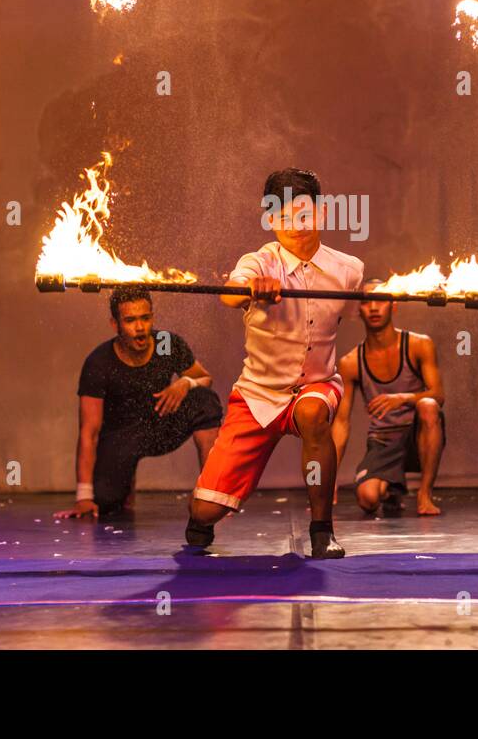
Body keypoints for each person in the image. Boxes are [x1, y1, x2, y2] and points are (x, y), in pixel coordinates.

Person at [186, 168, 364, 558]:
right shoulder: (258, 262)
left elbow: (358, 310)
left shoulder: (349, 269)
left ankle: (322, 532)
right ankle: (200, 518)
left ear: (321, 214)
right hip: (258, 394)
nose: (295, 226)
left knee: (315, 413)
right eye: (282, 217)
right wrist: (253, 289)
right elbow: (231, 295)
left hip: (315, 386)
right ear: (270, 219)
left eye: (303, 215)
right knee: (204, 510)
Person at [55, 285, 221, 519]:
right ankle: (124, 482)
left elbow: (205, 378)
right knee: (105, 503)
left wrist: (184, 383)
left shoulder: (164, 343)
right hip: (122, 436)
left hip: (162, 422)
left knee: (205, 400)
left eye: (145, 318)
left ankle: (211, 493)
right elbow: (89, 432)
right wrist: (83, 497)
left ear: (152, 317)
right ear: (115, 324)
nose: (140, 328)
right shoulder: (100, 362)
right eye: (131, 320)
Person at [332, 281, 446, 516]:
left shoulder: (419, 345)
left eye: (381, 301)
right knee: (367, 499)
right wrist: (329, 477)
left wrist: (403, 398)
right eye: (366, 302)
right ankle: (391, 489)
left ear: (393, 306)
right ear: (358, 310)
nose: (373, 308)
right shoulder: (350, 362)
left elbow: (438, 395)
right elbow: (342, 422)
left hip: (417, 437)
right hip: (383, 442)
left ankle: (425, 494)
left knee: (428, 405)